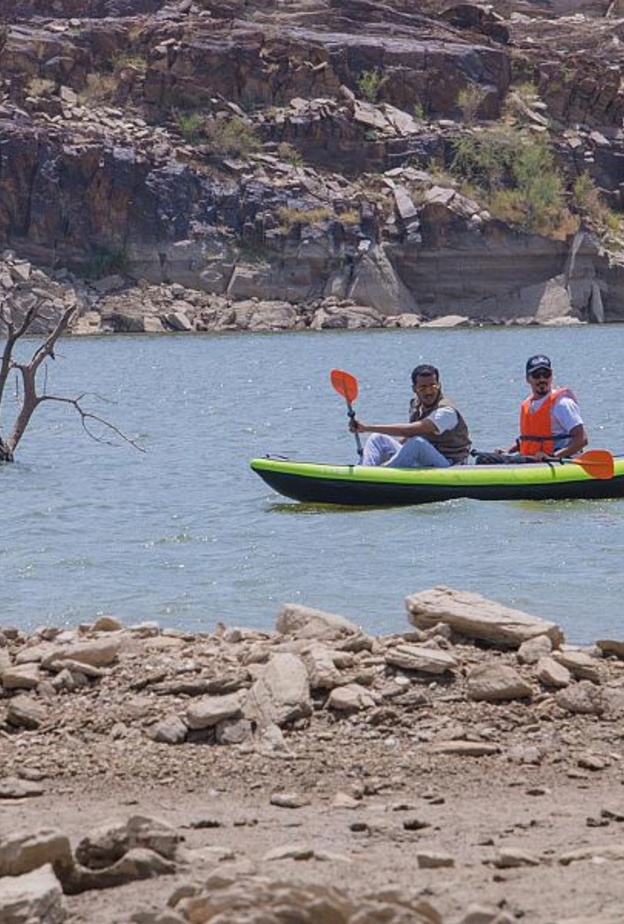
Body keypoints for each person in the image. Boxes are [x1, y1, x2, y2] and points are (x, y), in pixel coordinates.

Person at [349, 364, 471, 468]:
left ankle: (381, 474)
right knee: (377, 438)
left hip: (449, 464)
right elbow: (408, 437)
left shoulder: (446, 411)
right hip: (424, 458)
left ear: (439, 385)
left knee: (416, 443)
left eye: (433, 386)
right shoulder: (416, 405)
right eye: (423, 388)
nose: (429, 392)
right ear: (414, 388)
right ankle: (365, 471)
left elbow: (414, 430)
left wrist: (366, 428)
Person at [500, 354, 588, 460]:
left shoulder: (562, 404)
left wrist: (553, 456)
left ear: (551, 376)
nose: (542, 379)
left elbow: (582, 439)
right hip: (531, 459)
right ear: (528, 379)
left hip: (555, 459)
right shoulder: (528, 405)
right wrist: (507, 451)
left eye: (546, 374)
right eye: (536, 375)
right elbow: (529, 439)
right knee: (485, 459)